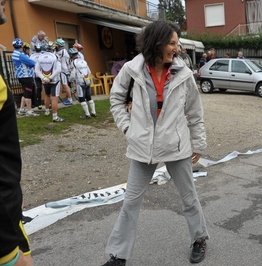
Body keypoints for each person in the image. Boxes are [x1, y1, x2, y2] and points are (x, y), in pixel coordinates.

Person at [103, 20, 209, 266]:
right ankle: (118, 255)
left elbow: (195, 112)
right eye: (172, 43)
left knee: (188, 198)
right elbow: (116, 99)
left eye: (177, 43)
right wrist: (128, 128)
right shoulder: (132, 70)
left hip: (176, 145)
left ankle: (199, 239)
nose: (177, 48)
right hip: (143, 146)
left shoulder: (183, 74)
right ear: (157, 43)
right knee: (130, 202)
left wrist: (199, 143)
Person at [0, 2, 32, 265]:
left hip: (8, 191)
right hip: (3, 199)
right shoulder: (21, 56)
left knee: (23, 99)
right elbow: (30, 61)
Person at [35, 42, 65, 122]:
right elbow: (59, 70)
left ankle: (47, 111)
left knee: (47, 95)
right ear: (53, 48)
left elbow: (36, 70)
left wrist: (43, 78)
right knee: (54, 98)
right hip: (54, 80)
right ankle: (55, 116)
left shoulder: (40, 57)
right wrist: (50, 78)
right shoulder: (55, 56)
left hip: (44, 80)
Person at [11, 38, 40, 117]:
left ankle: (21, 109)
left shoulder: (14, 53)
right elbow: (31, 63)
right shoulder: (21, 55)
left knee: (25, 93)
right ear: (21, 45)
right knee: (28, 93)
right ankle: (29, 111)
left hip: (21, 76)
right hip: (26, 76)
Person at [68, 48, 96, 119]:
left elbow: (73, 74)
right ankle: (93, 112)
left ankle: (87, 114)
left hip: (80, 82)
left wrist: (70, 80)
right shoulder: (84, 61)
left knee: (82, 99)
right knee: (89, 97)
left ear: (71, 55)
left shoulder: (73, 63)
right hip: (87, 81)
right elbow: (89, 72)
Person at [55, 38, 74, 105]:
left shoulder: (61, 51)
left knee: (65, 85)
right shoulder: (64, 51)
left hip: (63, 70)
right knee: (65, 85)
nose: (55, 46)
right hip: (65, 70)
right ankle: (69, 98)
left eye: (56, 44)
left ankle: (70, 99)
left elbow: (56, 57)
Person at [30, 43, 45, 110]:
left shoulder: (32, 56)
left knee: (38, 89)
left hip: (36, 74)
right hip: (44, 74)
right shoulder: (43, 55)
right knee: (46, 89)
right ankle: (49, 102)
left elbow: (30, 65)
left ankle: (39, 104)